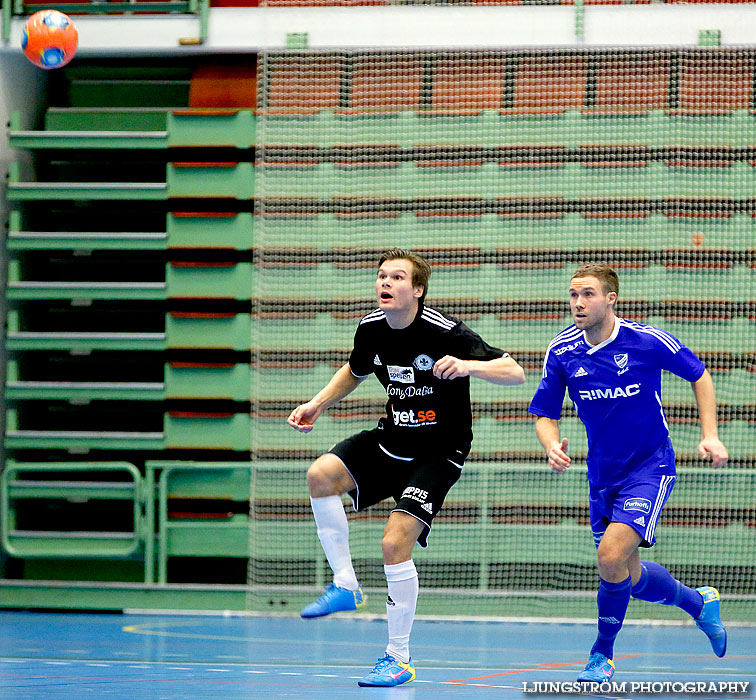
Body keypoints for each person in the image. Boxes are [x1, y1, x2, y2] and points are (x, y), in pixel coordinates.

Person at [288, 248, 525, 687]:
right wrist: (317, 404)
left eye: (397, 277)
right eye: (381, 276)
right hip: (392, 439)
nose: (385, 283)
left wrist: (469, 365)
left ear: (417, 290)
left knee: (394, 543)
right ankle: (345, 585)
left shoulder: (445, 330)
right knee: (320, 474)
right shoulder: (371, 328)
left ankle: (397, 657)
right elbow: (356, 370)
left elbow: (515, 371)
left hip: (439, 452)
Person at [528, 262, 729, 682]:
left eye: (587, 294)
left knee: (610, 556)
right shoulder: (563, 350)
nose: (578, 303)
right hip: (602, 475)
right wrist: (551, 444)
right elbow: (544, 412)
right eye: (573, 294)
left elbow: (700, 375)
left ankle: (602, 654)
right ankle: (697, 603)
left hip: (650, 466)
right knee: (625, 574)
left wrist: (709, 434)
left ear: (610, 299)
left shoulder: (645, 340)